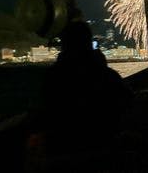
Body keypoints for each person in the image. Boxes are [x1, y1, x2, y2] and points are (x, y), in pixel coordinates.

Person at [28, 20, 133, 170]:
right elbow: (128, 103)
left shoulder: (52, 78)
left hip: (60, 156)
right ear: (89, 43)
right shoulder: (107, 76)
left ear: (64, 45)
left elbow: (37, 115)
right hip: (104, 155)